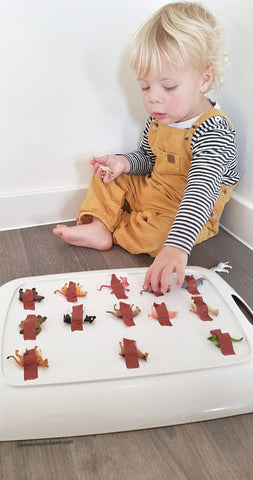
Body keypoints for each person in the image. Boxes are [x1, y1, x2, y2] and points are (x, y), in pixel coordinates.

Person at [53, 1, 240, 293]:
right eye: (145, 87)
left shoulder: (213, 129)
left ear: (204, 80)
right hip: (154, 190)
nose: (154, 99)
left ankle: (115, 226)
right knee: (106, 173)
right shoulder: (159, 119)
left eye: (168, 87)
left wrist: (177, 246)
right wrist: (124, 163)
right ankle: (101, 226)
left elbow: (201, 190)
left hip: (186, 210)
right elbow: (148, 159)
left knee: (158, 238)